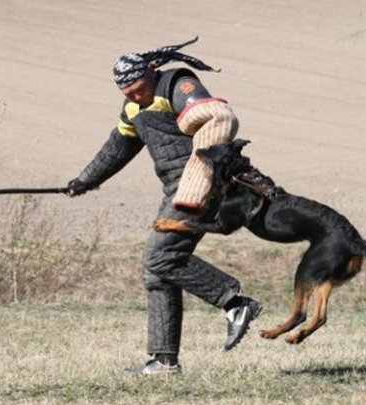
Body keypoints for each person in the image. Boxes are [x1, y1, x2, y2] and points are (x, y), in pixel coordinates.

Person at [66, 37, 262, 375]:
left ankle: (235, 302)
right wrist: (85, 180)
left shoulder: (178, 85)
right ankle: (163, 361)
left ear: (151, 72)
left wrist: (206, 176)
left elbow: (210, 115)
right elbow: (117, 149)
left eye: (138, 88)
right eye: (126, 92)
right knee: (156, 271)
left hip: (200, 183)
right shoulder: (132, 109)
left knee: (161, 257)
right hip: (174, 188)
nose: (134, 95)